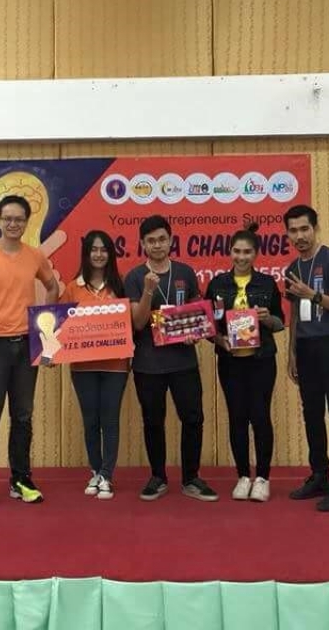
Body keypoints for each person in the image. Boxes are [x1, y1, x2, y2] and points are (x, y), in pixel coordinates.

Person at [0, 194, 59, 509]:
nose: (13, 224)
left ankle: (21, 480)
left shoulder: (35, 256)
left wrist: (46, 334)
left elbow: (52, 286)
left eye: (19, 219)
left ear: (27, 222)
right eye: (8, 218)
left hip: (26, 345)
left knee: (23, 416)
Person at [124, 215, 218, 502]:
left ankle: (191, 477)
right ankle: (158, 477)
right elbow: (138, 323)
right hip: (148, 363)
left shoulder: (185, 272)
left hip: (183, 361)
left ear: (170, 240)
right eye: (151, 241)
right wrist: (148, 291)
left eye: (162, 239)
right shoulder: (134, 277)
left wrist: (195, 332)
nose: (157, 245)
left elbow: (198, 314)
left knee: (193, 418)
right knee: (153, 421)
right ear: (143, 244)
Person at [283, 204, 329, 512]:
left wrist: (312, 294)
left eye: (304, 229)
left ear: (315, 228)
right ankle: (320, 475)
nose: (299, 236)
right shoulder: (291, 268)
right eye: (293, 231)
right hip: (306, 348)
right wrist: (292, 352)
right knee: (312, 413)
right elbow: (294, 314)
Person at [205, 222, 285, 502]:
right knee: (237, 417)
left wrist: (266, 318)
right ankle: (242, 476)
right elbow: (208, 326)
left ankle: (262, 478)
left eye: (247, 252)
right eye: (237, 251)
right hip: (230, 362)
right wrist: (219, 341)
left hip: (261, 361)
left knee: (260, 417)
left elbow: (280, 323)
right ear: (230, 252)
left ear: (255, 254)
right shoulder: (217, 285)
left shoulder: (267, 283)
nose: (241, 257)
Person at [61, 231, 130, 500]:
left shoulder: (120, 286)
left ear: (110, 254)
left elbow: (130, 324)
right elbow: (59, 327)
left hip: (116, 366)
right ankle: (95, 472)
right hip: (83, 367)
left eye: (104, 250)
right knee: (90, 420)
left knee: (110, 420)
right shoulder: (72, 288)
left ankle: (107, 476)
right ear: (86, 253)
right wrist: (48, 354)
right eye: (94, 249)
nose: (99, 254)